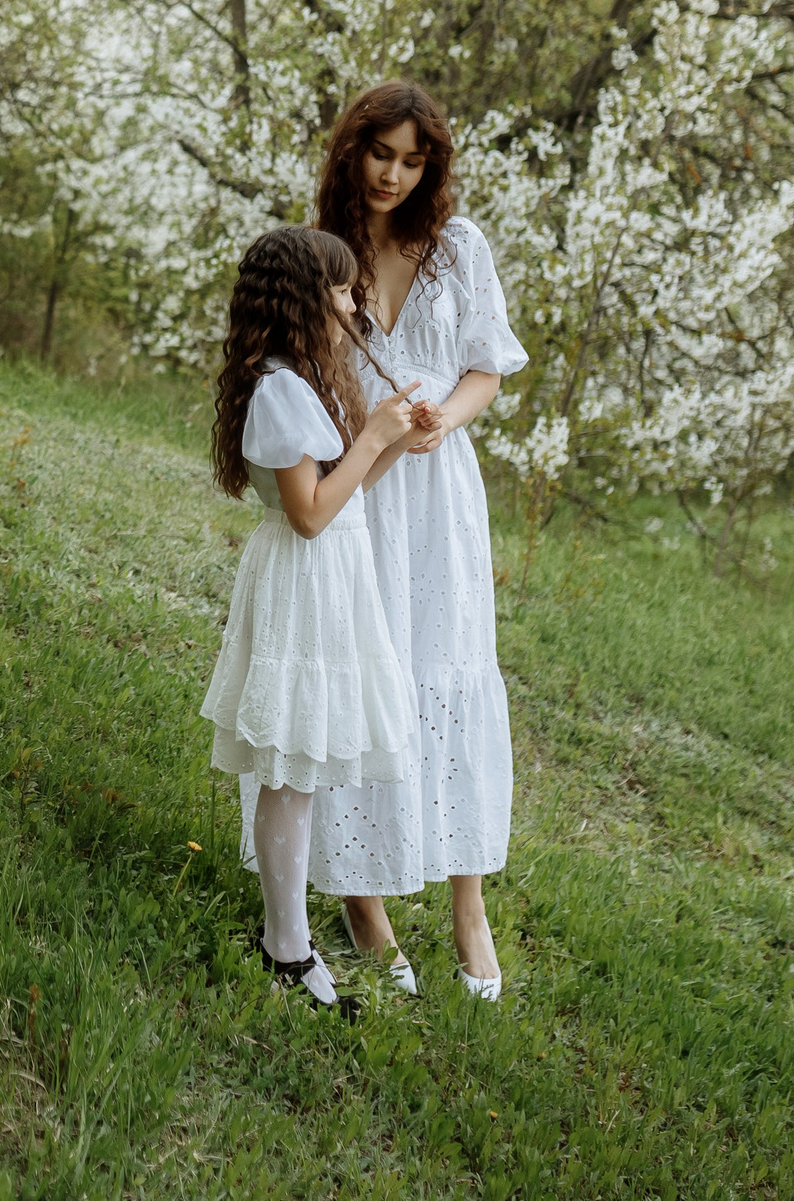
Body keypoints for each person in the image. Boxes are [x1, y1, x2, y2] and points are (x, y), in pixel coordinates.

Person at [304, 80, 530, 1001]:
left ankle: (467, 904)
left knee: (445, 666)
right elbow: (312, 384)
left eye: (412, 159)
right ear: (351, 151)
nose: (393, 174)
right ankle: (363, 897)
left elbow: (488, 367)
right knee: (367, 675)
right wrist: (376, 429)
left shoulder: (457, 247)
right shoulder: (325, 257)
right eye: (379, 154)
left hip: (438, 496)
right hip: (366, 487)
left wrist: (447, 420)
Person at [200, 225, 424, 1015]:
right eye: (335, 289)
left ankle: (286, 934)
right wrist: (370, 436)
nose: (349, 300)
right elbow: (307, 514)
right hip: (303, 578)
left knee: (303, 763)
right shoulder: (278, 390)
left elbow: (345, 488)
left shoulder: (310, 378)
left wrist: (395, 440)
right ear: (299, 298)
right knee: (289, 766)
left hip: (333, 578)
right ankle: (284, 943)